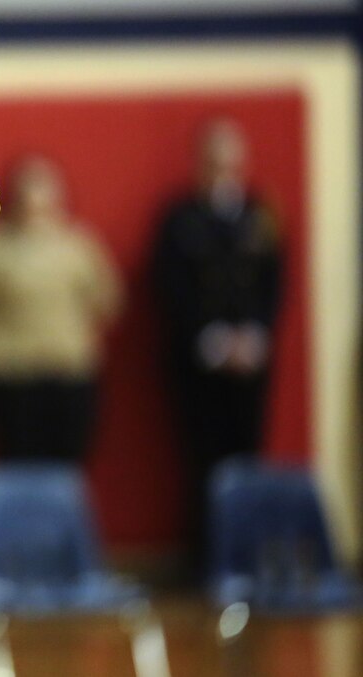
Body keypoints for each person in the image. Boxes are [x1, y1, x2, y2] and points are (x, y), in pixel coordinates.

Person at [150, 118, 282, 565]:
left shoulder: (261, 214)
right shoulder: (181, 219)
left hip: (250, 359)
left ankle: (248, 555)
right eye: (214, 161)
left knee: (248, 457)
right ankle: (209, 559)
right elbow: (173, 286)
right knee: (203, 463)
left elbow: (271, 283)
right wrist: (212, 339)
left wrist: (255, 335)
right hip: (199, 361)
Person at [0, 155, 121, 462]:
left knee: (67, 466)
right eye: (29, 188)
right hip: (10, 378)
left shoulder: (78, 246)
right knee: (18, 465)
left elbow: (109, 301)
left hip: (68, 373)